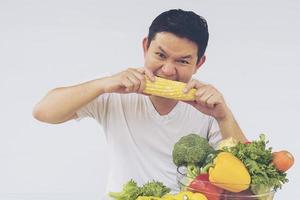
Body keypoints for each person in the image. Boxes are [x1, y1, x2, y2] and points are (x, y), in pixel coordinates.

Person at [33, 9, 247, 197]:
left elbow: (247, 182)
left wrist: (223, 116)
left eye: (182, 61)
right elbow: (43, 112)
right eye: (160, 55)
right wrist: (102, 84)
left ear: (199, 63)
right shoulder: (115, 89)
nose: (167, 70)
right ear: (145, 47)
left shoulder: (209, 104)